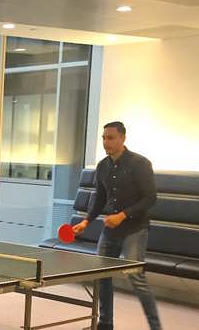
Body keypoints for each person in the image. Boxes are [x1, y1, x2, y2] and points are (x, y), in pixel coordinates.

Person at [73, 121, 161, 330]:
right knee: (102, 275)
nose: (106, 142)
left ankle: (156, 327)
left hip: (135, 228)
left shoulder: (140, 163)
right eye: (103, 138)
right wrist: (87, 220)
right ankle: (105, 323)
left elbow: (151, 198)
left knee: (135, 277)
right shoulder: (103, 166)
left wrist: (123, 215)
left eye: (110, 138)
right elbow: (100, 198)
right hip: (111, 228)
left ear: (122, 138)